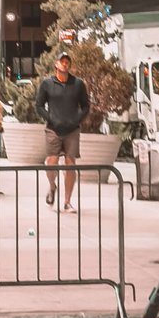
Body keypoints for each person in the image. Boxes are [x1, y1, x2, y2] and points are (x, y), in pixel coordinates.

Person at [38, 47, 94, 213]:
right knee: (52, 161)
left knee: (70, 164)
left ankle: (67, 201)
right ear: (56, 64)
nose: (65, 64)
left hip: (72, 129)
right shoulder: (47, 83)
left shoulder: (77, 84)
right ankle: (52, 186)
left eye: (67, 62)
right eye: (62, 61)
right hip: (53, 129)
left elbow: (85, 106)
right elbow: (39, 105)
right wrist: (51, 119)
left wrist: (76, 120)